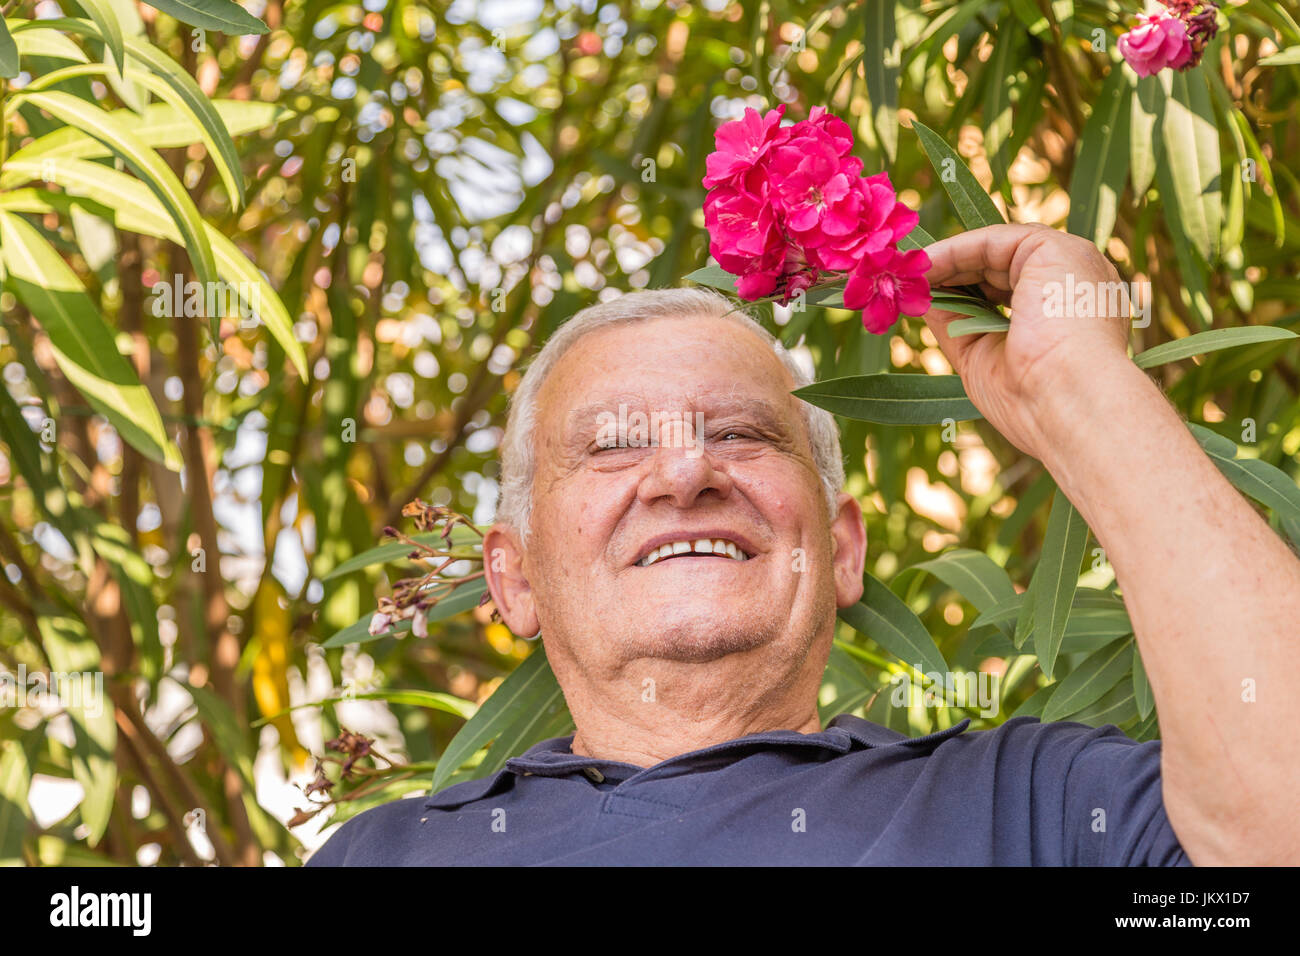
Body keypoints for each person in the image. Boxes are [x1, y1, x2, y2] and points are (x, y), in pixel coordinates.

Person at [307, 225, 1300, 865]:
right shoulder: (386, 855)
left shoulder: (1032, 807)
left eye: (742, 433)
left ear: (840, 546)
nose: (684, 473)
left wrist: (1075, 380)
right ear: (512, 576)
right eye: (612, 447)